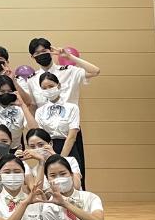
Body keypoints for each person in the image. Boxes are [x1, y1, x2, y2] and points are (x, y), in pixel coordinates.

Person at [20, 38, 100, 178]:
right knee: (48, 176)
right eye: (37, 53)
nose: (41, 55)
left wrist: (69, 57)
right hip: (46, 136)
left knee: (74, 173)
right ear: (32, 57)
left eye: (44, 51)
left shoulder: (68, 71)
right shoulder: (32, 80)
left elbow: (95, 71)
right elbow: (32, 105)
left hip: (69, 132)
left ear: (51, 51)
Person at [33, 72, 81, 162]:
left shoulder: (72, 108)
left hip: (68, 149)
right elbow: (40, 137)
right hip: (48, 150)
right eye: (44, 88)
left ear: (58, 85)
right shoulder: (40, 111)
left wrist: (61, 159)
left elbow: (72, 136)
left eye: (51, 86)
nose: (48, 90)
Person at [0, 75, 34, 148]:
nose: (6, 94)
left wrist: (22, 105)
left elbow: (34, 129)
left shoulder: (20, 111)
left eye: (9, 91)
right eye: (2, 91)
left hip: (16, 151)